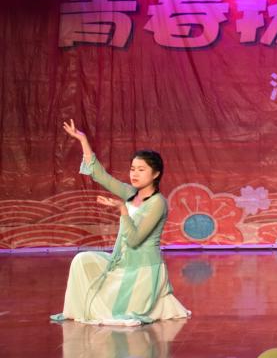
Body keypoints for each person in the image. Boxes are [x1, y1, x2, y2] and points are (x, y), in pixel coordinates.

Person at [51, 119, 190, 325]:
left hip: (142, 268)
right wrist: (82, 140)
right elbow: (101, 175)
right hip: (123, 262)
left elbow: (134, 240)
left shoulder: (158, 203)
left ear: (156, 174)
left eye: (141, 169)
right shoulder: (131, 192)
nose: (134, 173)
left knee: (117, 314)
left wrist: (122, 209)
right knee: (81, 260)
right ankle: (75, 309)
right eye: (132, 169)